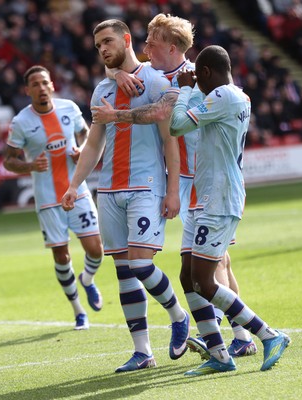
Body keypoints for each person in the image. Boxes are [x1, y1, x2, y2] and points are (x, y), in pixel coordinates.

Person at [92, 13, 257, 359]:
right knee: (203, 261)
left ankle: (240, 334)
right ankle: (222, 334)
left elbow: (158, 114)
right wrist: (117, 72)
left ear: (170, 46)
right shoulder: (155, 74)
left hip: (205, 178)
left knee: (217, 261)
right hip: (179, 178)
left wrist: (114, 115)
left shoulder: (197, 77)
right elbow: (122, 65)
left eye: (152, 40)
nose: (145, 44)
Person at [61, 19, 190, 373]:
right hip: (109, 190)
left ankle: (179, 316)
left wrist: (173, 190)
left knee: (140, 264)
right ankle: (142, 351)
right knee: (123, 271)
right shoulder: (102, 88)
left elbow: (169, 140)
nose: (103, 48)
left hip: (146, 185)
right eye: (98, 45)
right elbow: (93, 144)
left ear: (127, 39)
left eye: (107, 41)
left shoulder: (155, 81)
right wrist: (74, 185)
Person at [170, 44, 291, 376]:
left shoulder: (223, 97)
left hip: (220, 198)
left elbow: (177, 125)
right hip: (205, 196)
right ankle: (220, 354)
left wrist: (183, 90)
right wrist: (194, 90)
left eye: (200, 78)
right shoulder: (233, 97)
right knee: (187, 275)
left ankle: (269, 334)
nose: (198, 83)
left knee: (204, 281)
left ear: (206, 73)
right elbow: (198, 114)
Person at [3, 65, 103, 330]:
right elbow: (8, 161)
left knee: (96, 249)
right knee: (62, 256)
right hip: (48, 199)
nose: (41, 88)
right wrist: (29, 166)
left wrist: (81, 150)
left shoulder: (69, 108)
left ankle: (88, 280)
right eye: (35, 84)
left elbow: (87, 136)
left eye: (44, 82)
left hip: (77, 190)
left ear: (52, 85)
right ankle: (78, 311)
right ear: (28, 91)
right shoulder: (21, 122)